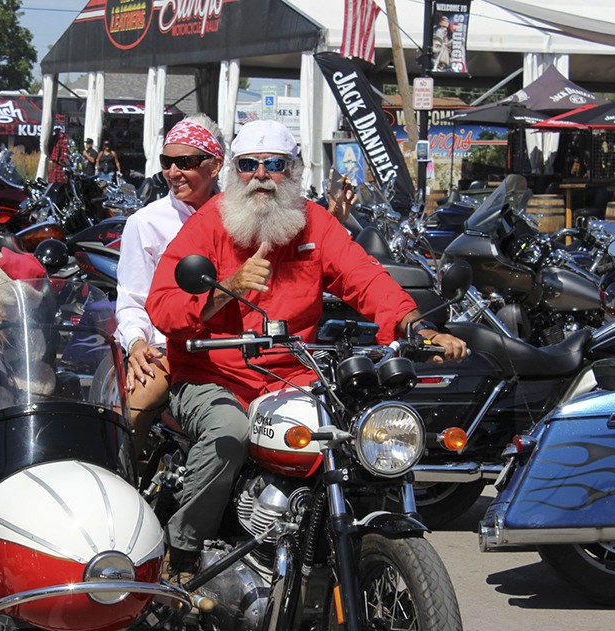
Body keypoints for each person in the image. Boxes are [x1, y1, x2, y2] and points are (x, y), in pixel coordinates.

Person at [145, 120, 468, 578]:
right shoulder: (207, 225)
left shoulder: (315, 222)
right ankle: (183, 554)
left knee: (356, 435)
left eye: (274, 165)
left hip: (295, 376)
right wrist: (224, 289)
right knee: (230, 431)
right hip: (213, 375)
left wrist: (416, 326)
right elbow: (162, 307)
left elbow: (365, 277)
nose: (261, 176)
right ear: (233, 172)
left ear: (294, 170)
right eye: (249, 165)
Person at [115, 115, 224, 455]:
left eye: (186, 162)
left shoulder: (241, 212)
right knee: (136, 401)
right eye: (167, 162)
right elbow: (132, 299)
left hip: (233, 345)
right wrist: (136, 345)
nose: (173, 172)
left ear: (215, 165)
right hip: (171, 347)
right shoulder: (145, 222)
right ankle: (117, 479)